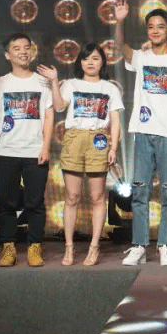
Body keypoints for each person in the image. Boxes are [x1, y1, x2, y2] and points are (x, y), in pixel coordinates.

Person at [112, 0, 167, 267]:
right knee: (140, 191)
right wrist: (120, 21)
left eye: (160, 26)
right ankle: (139, 245)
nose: (155, 31)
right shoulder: (142, 57)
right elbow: (120, 46)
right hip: (143, 131)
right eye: (151, 27)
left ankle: (165, 246)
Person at [40, 44, 122, 266]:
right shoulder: (71, 84)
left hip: (99, 139)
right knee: (72, 197)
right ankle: (69, 247)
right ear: (80, 63)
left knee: (97, 197)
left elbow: (115, 121)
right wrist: (54, 82)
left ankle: (94, 246)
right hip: (74, 138)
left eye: (95, 58)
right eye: (86, 59)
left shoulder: (110, 88)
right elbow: (59, 106)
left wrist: (113, 148)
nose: (90, 63)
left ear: (102, 62)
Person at [0, 33, 54, 268]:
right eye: (17, 48)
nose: (23, 51)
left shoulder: (42, 82)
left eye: (26, 47)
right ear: (7, 54)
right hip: (7, 150)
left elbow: (49, 115)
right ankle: (8, 247)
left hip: (35, 151)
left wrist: (46, 147)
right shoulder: (1, 81)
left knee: (35, 203)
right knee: (7, 203)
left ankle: (35, 246)